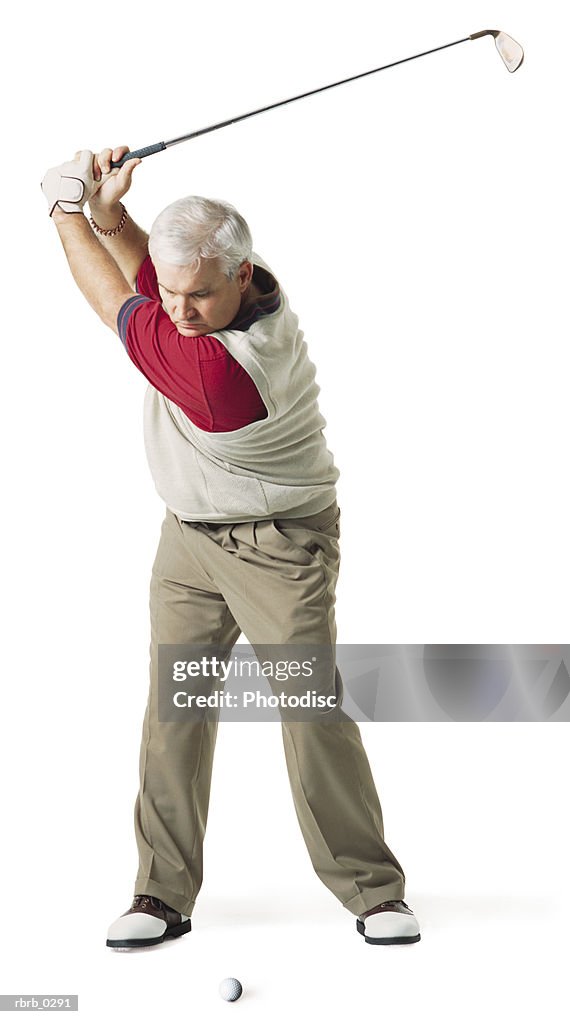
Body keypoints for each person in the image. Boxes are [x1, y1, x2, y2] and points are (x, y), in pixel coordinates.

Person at [41, 147, 421, 948]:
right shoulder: (226, 291)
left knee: (310, 710)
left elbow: (115, 296)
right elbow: (156, 276)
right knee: (175, 710)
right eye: (173, 294)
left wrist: (65, 212)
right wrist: (113, 216)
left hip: (281, 544)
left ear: (242, 275)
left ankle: (373, 889)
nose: (179, 310)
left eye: (199, 294)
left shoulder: (224, 373)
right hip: (188, 538)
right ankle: (159, 895)